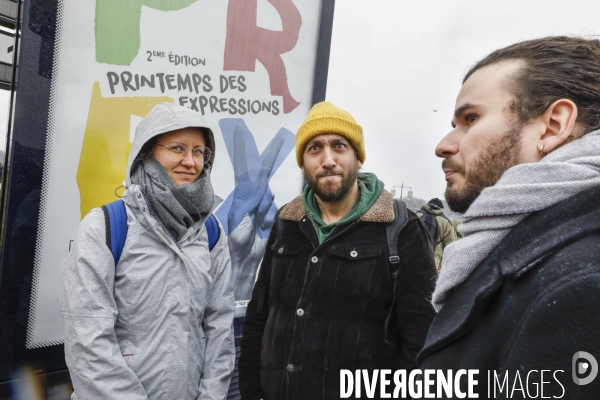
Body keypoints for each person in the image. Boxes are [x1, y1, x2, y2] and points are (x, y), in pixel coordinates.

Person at [418, 36, 600, 398]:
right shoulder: (530, 247)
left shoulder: (580, 284)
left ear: (553, 126)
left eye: (471, 118)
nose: (444, 145)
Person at [238, 102, 437, 400]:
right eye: (314, 148)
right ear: (303, 163)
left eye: (339, 146)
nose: (327, 159)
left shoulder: (399, 227)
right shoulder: (287, 222)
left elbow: (421, 337)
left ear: (358, 158)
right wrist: (252, 392)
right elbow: (260, 315)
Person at [58, 103, 235, 400]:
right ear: (146, 153)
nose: (190, 161)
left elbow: (220, 328)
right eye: (177, 148)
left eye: (199, 151)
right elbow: (88, 343)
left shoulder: (211, 233)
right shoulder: (105, 227)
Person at [415, 198, 456, 272]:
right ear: (441, 208)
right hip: (432, 262)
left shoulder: (416, 215)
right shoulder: (446, 222)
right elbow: (451, 246)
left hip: (411, 259)